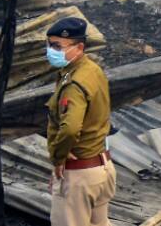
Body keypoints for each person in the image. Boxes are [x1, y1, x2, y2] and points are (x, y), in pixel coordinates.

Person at [44, 16, 114, 226]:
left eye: (57, 46)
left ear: (79, 47)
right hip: (102, 166)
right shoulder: (92, 70)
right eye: (49, 45)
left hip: (80, 175)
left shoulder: (74, 84)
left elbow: (71, 127)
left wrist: (58, 157)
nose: (51, 50)